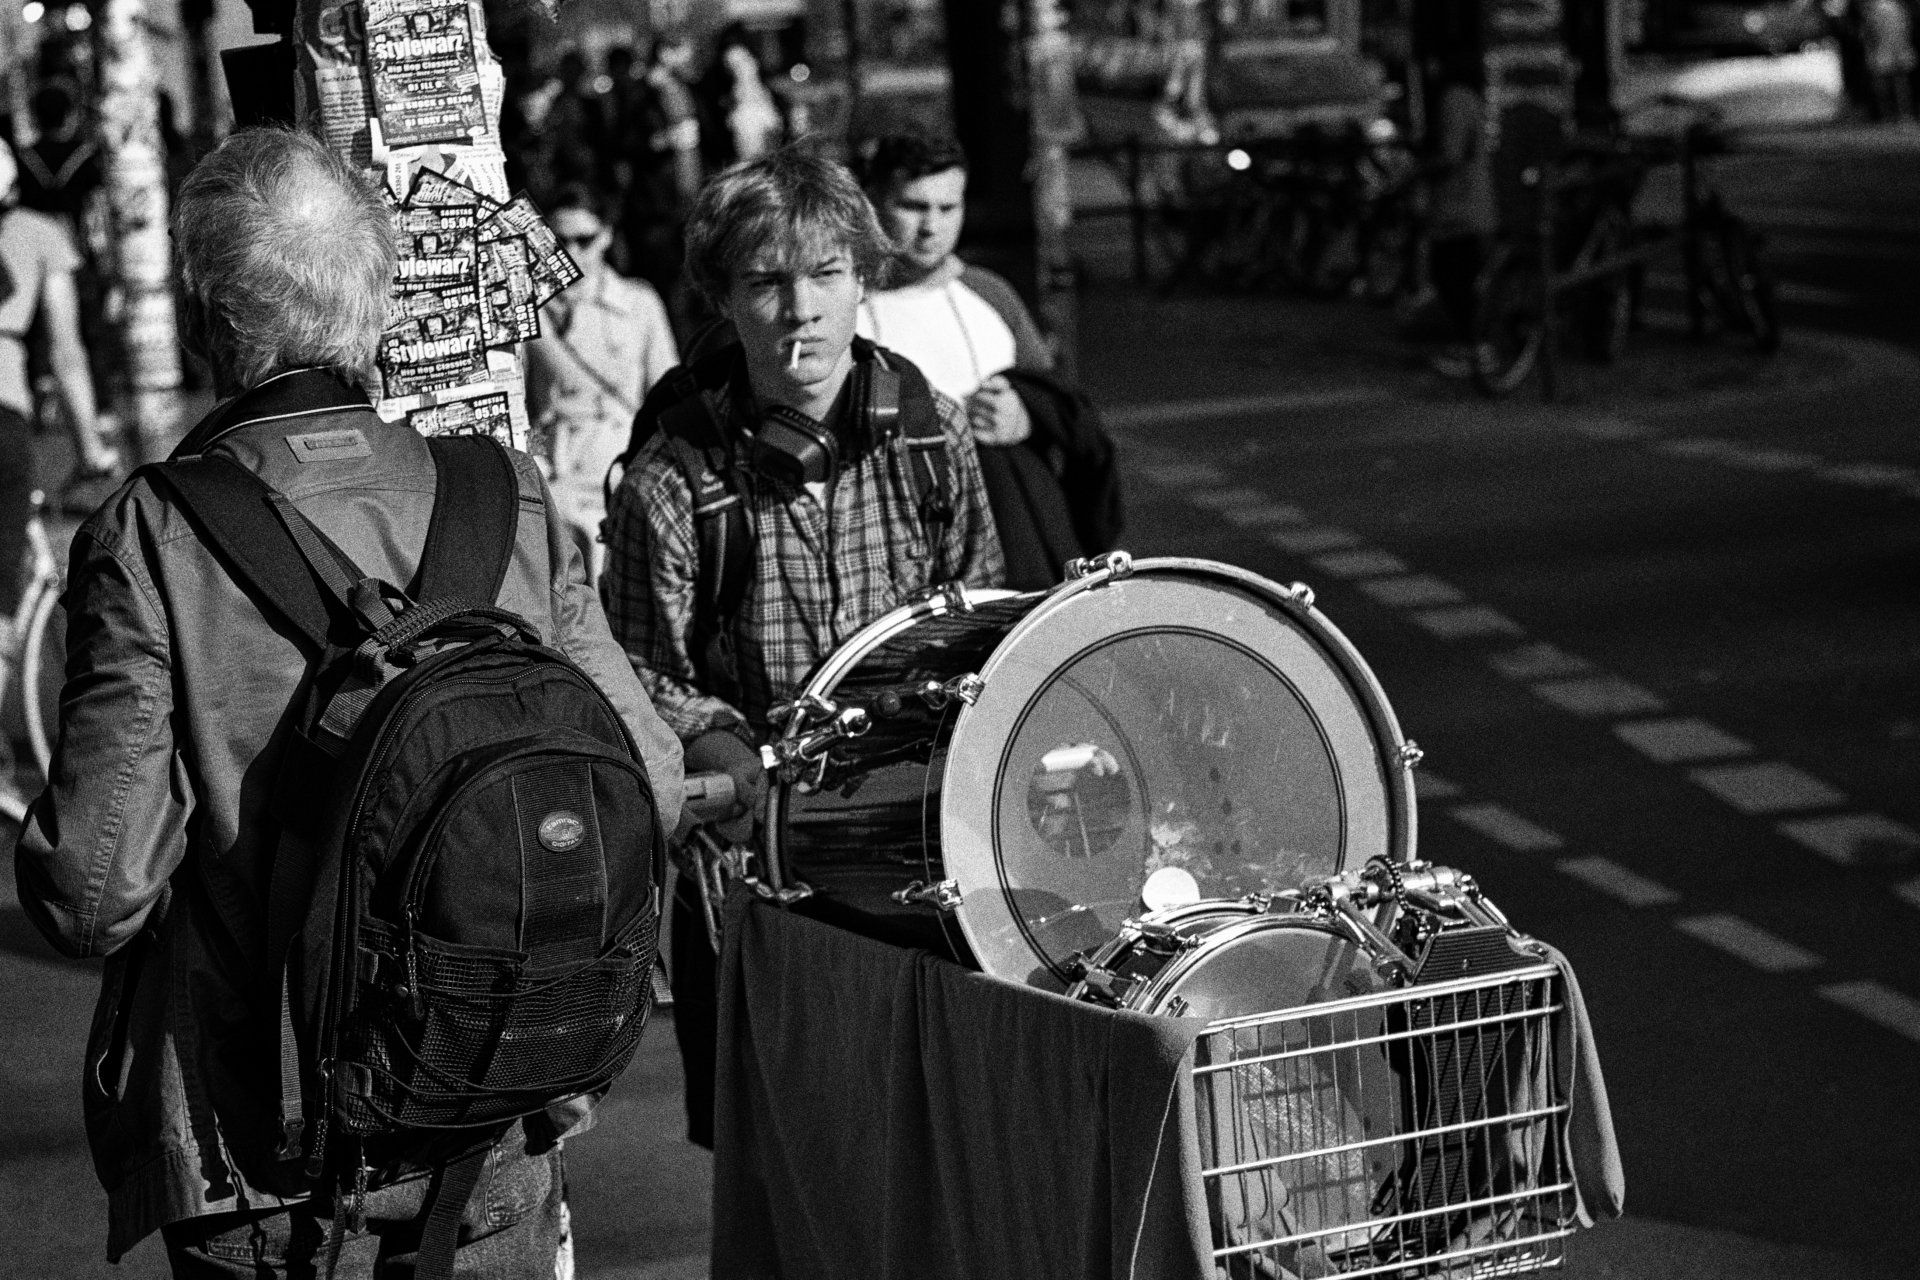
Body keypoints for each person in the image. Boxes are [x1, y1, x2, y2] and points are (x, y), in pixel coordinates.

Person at [11, 126, 684, 1276]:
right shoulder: (503, 493)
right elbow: (650, 784)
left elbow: (93, 891)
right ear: (376, 304)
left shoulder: (155, 532)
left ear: (211, 316)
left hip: (263, 1139)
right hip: (487, 1102)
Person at [601, 144, 1005, 1149]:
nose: (801, 311)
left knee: (941, 1133)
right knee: (785, 1153)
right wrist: (718, 741)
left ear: (865, 280)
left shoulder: (932, 439)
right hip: (757, 879)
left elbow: (991, 620)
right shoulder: (671, 482)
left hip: (926, 856)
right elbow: (635, 671)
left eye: (826, 274)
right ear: (723, 302)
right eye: (766, 283)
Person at [855, 132, 1123, 589]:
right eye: (913, 206)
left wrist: (1026, 415)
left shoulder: (991, 293)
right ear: (874, 202)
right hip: (897, 546)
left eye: (948, 207)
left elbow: (1057, 400)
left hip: (1010, 540)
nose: (931, 226)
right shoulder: (849, 304)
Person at [1, 138, 117, 807]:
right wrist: (92, 451)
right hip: (2, 420)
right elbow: (69, 355)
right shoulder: (39, 234)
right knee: (0, 602)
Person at [524, 184, 680, 581]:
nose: (571, 252)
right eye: (559, 240)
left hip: (621, 468)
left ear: (607, 236)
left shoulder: (638, 302)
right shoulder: (529, 312)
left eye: (585, 240)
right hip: (557, 476)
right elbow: (519, 407)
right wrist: (539, 463)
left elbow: (667, 398)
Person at [1422, 60, 1498, 378]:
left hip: (1460, 207)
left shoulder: (1454, 98)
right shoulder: (1471, 97)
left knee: (1451, 275)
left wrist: (1421, 169)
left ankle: (1476, 350)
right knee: (1460, 276)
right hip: (1472, 204)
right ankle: (1474, 347)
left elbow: (1451, 154)